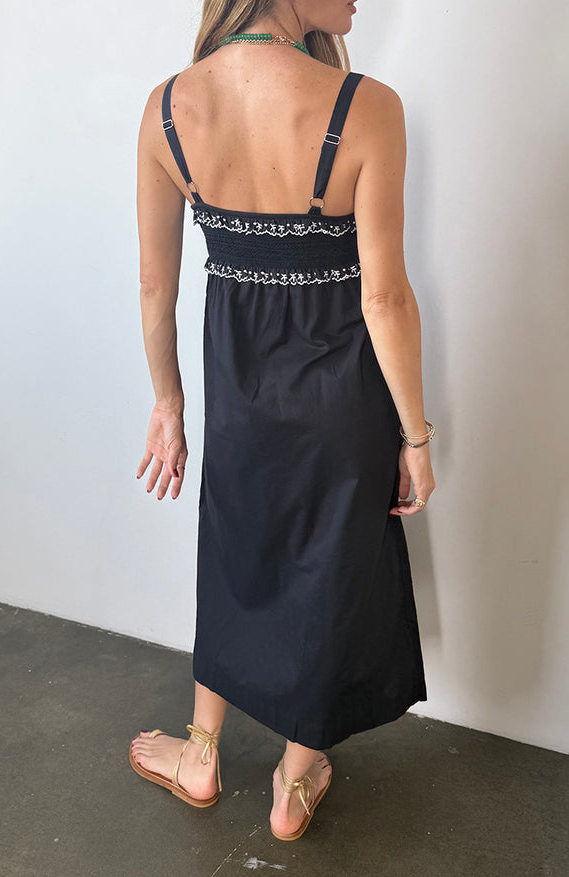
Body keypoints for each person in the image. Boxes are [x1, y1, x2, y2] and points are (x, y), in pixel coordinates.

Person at [129, 0, 436, 842]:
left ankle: (201, 752)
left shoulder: (168, 108)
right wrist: (415, 434)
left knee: (235, 543)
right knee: (329, 564)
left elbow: (157, 287)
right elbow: (384, 296)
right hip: (344, 392)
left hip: (238, 384)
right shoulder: (363, 105)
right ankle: (293, 786)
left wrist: (170, 399)